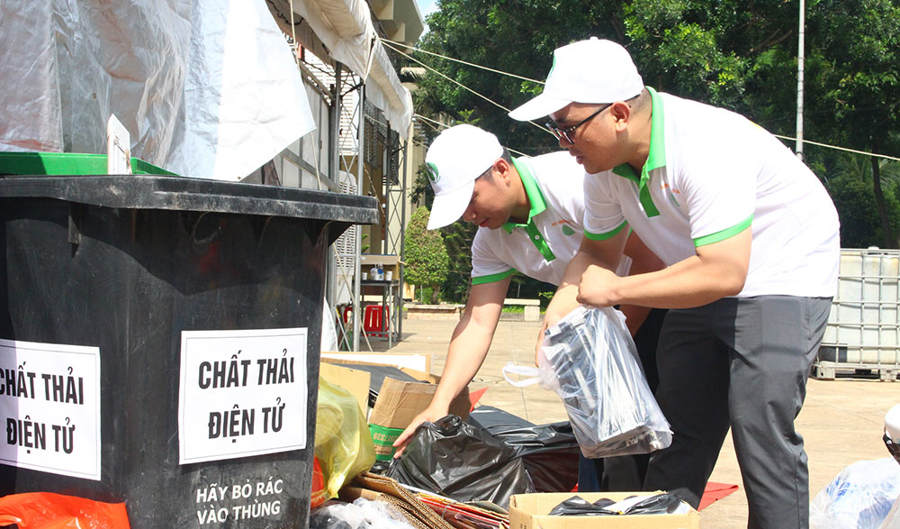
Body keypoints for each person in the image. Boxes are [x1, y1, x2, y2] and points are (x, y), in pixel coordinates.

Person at [508, 38, 840, 529]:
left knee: (759, 425)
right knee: (677, 426)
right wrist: (561, 312)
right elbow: (597, 252)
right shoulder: (604, 169)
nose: (563, 142)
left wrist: (615, 292)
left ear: (619, 113)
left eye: (569, 127)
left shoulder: (704, 142)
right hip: (697, 270)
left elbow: (727, 271)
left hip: (781, 270)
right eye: (556, 127)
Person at [391, 124, 665, 492]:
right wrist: (440, 403)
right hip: (587, 326)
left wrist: (610, 347)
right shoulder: (491, 241)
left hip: (651, 304)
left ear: (501, 170)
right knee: (599, 446)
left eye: (471, 200)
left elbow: (651, 258)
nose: (469, 216)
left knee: (650, 445)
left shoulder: (573, 183)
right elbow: (477, 322)